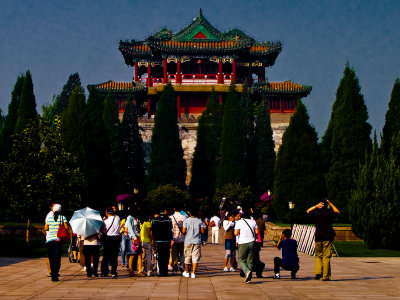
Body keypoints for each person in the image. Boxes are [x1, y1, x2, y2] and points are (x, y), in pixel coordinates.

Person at [307, 198, 340, 281]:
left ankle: (318, 273)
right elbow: (338, 212)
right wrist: (331, 203)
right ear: (327, 205)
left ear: (320, 205)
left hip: (318, 237)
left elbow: (308, 211)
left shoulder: (316, 213)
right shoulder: (329, 213)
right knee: (326, 257)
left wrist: (316, 206)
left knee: (318, 255)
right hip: (327, 237)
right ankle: (325, 276)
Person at [44, 204, 69, 282]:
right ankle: (55, 274)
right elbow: (66, 227)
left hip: (50, 240)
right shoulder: (62, 217)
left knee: (51, 258)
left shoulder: (49, 218)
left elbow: (46, 228)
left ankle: (52, 274)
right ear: (60, 210)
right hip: (58, 240)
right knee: (57, 258)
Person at [234, 209, 259, 284]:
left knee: (241, 259)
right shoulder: (253, 221)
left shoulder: (239, 222)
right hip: (251, 242)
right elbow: (257, 232)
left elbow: (236, 233)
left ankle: (247, 271)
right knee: (249, 260)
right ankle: (249, 278)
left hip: (243, 242)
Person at [182, 210, 204, 279]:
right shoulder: (199, 220)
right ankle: (193, 273)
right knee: (195, 257)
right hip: (196, 241)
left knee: (187, 257)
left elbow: (183, 231)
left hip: (188, 241)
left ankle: (187, 272)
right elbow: (202, 231)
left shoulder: (186, 220)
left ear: (190, 213)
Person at [100, 207, 121, 278]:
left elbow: (102, 231)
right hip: (116, 238)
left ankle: (104, 271)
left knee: (106, 255)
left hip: (108, 238)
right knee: (114, 256)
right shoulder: (118, 219)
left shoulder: (105, 222)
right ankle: (114, 271)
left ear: (106, 213)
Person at [152, 209, 173, 276]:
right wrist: (171, 239)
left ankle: (161, 272)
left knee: (160, 256)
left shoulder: (155, 220)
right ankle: (165, 271)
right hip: (166, 240)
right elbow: (170, 230)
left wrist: (154, 239)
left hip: (158, 240)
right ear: (165, 211)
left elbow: (153, 231)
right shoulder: (168, 219)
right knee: (166, 256)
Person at [126, 210, 144, 276]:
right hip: (133, 238)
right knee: (132, 254)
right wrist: (134, 237)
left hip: (138, 236)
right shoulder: (129, 218)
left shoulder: (137, 217)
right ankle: (131, 270)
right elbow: (129, 228)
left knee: (139, 254)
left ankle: (140, 270)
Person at [170, 208, 187, 275]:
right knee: (182, 254)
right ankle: (182, 266)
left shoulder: (171, 217)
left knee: (174, 254)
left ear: (174, 209)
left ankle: (174, 269)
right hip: (182, 238)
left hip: (173, 239)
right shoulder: (184, 217)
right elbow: (185, 229)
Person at [140, 212, 153, 277]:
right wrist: (153, 238)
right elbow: (149, 233)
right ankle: (149, 270)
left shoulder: (143, 223)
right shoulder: (148, 223)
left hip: (142, 241)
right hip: (147, 241)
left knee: (143, 256)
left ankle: (143, 269)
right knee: (148, 257)